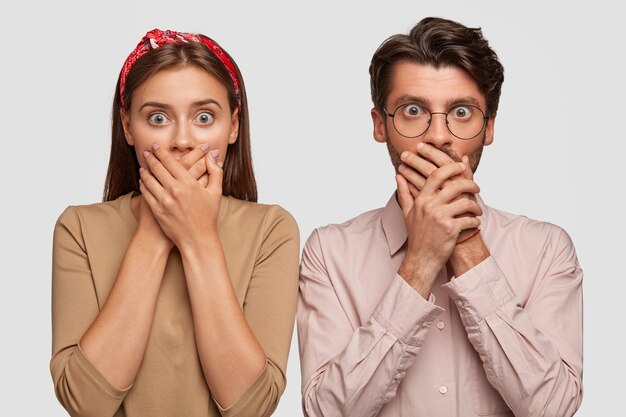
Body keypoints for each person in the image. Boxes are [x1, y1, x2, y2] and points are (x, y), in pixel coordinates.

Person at [297, 17, 583, 417]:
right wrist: (421, 263)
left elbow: (553, 409)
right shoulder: (329, 253)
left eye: (461, 112)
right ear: (381, 125)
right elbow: (326, 412)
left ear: (489, 128)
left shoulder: (546, 250)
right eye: (413, 110)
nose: (438, 136)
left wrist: (467, 244)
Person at [50, 29, 299, 417]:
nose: (182, 140)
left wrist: (199, 239)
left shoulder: (271, 229)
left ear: (232, 126)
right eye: (158, 117)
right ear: (129, 127)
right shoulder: (78, 228)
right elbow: (86, 403)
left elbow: (252, 407)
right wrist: (153, 232)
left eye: (203, 117)